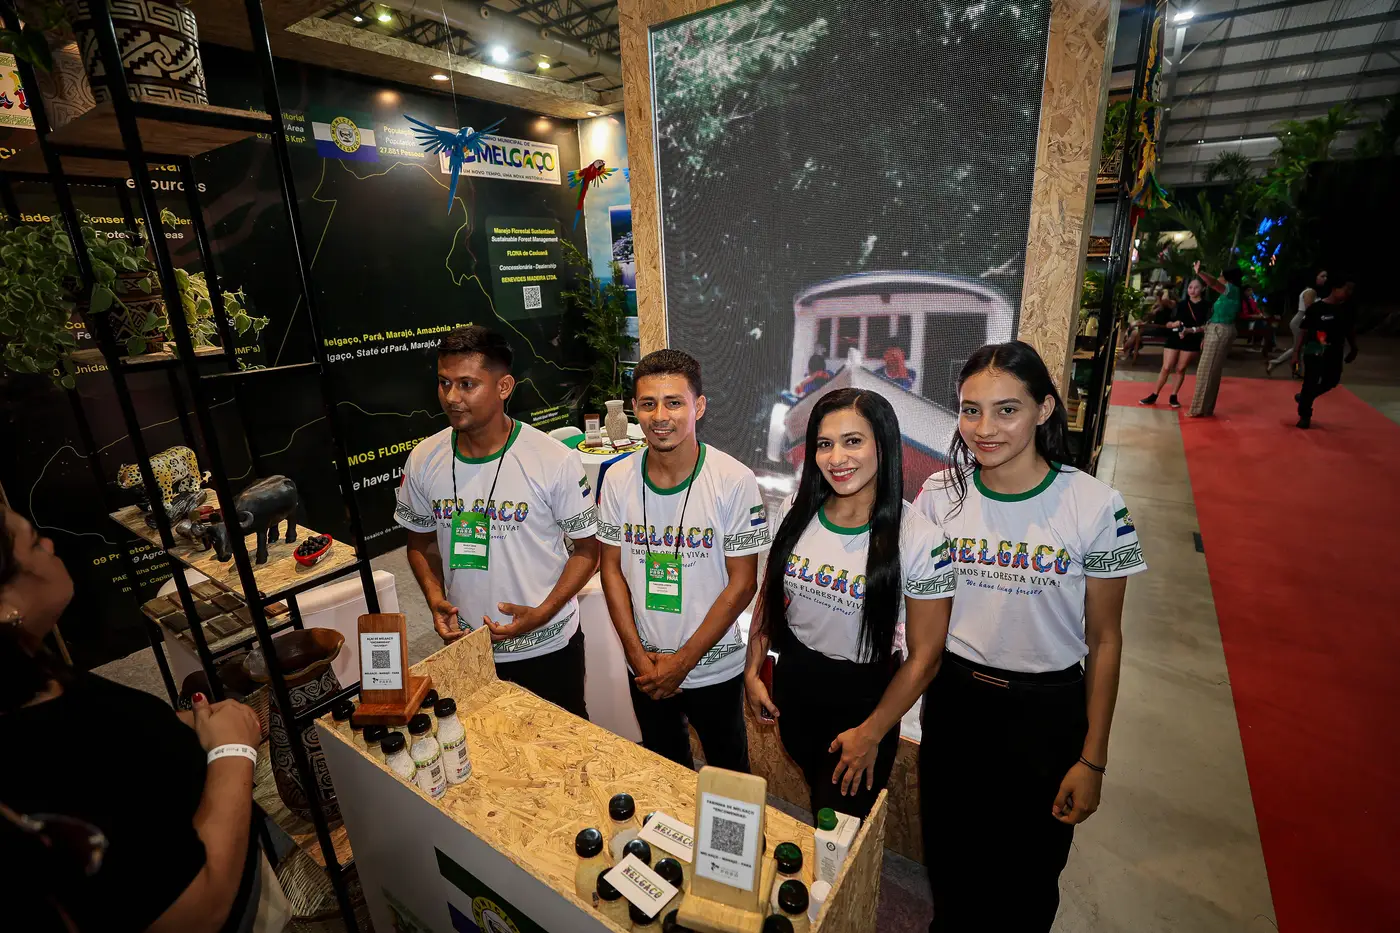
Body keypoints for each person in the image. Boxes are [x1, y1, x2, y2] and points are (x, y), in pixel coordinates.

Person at [914, 340, 1146, 932]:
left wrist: (1093, 758)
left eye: (1007, 410)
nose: (984, 428)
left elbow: (1107, 641)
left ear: (1044, 409)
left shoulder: (1095, 505)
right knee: (951, 871)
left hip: (1045, 717)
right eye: (970, 410)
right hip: (956, 704)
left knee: (1028, 885)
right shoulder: (939, 496)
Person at [0, 506, 283, 933]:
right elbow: (194, 913)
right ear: (5, 606)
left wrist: (180, 726)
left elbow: (108, 734)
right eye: (35, 544)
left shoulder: (29, 672)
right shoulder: (32, 757)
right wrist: (233, 751)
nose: (51, 544)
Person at [745, 388, 952, 820]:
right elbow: (770, 593)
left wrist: (871, 733)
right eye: (825, 443)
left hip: (864, 702)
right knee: (818, 799)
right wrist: (752, 668)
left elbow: (926, 658)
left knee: (838, 825)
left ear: (883, 445)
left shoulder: (921, 539)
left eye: (853, 441)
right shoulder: (796, 509)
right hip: (796, 685)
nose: (836, 457)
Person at [396, 325, 599, 718]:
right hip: (468, 646)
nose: (451, 397)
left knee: (563, 744)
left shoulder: (552, 459)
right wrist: (434, 597)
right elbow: (419, 542)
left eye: (467, 384)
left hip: (547, 645)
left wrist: (544, 611)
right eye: (444, 383)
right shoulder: (424, 458)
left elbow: (588, 551)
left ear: (503, 387)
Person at [597, 348, 770, 772]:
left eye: (674, 402)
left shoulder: (733, 480)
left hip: (713, 667)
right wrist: (638, 657)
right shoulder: (617, 478)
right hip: (645, 666)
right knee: (663, 771)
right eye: (648, 403)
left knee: (728, 775)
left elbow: (743, 583)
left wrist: (682, 663)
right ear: (634, 407)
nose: (660, 416)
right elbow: (611, 570)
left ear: (699, 406)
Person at [1294, 280, 1358, 429]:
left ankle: (1305, 398)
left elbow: (1350, 331)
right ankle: (1305, 415)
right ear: (1335, 289)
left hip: (1335, 351)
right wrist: (1296, 352)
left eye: (1351, 290)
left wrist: (1354, 348)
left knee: (1332, 380)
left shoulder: (1346, 310)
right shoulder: (1316, 308)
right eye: (1346, 289)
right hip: (1315, 350)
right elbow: (1303, 331)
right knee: (1310, 381)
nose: (1348, 293)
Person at [1139, 277, 1211, 408]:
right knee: (1166, 367)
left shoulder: (1207, 306)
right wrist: (1173, 324)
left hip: (1192, 339)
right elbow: (1167, 322)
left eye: (1196, 287)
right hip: (1175, 337)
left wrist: (1191, 330)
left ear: (1203, 289)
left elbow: (1207, 326)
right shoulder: (1181, 304)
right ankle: (1154, 394)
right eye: (1190, 287)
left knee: (1181, 368)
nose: (1192, 290)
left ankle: (1174, 395)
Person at [1187, 261, 1244, 417]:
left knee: (1207, 370)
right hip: (1216, 330)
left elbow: (1212, 283)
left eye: (1221, 275)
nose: (1219, 278)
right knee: (1210, 370)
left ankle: (1198, 409)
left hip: (1220, 331)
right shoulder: (1229, 293)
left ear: (1227, 278)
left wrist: (1200, 272)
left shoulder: (1231, 290)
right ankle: (1205, 408)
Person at [1267, 269, 1329, 376]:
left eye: (1326, 276)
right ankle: (1280, 364)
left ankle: (1295, 370)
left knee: (1299, 348)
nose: (1325, 279)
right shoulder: (1310, 292)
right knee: (1298, 348)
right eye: (1322, 276)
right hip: (1301, 321)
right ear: (1315, 277)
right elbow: (1309, 309)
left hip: (1302, 320)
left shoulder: (1312, 291)